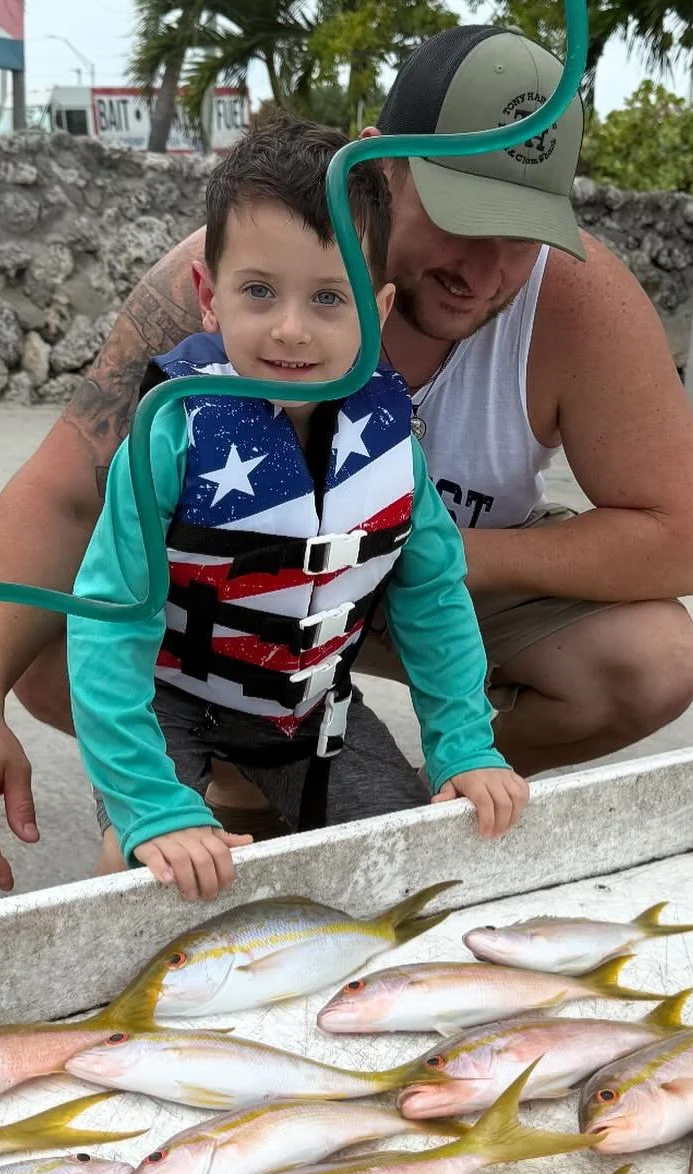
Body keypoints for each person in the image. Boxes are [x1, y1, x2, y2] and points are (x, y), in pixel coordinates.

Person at [0, 23, 693, 893]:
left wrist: (443, 691)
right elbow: (64, 498)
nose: (483, 270)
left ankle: (398, 797)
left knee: (620, 680)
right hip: (208, 630)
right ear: (374, 169)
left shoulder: (566, 312)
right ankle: (197, 799)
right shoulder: (229, 286)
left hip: (358, 620)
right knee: (65, 657)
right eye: (460, 217)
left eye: (520, 233)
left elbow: (675, 543)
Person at [67, 116, 526, 900]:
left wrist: (465, 746)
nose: (290, 329)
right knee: (140, 874)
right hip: (171, 696)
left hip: (311, 706)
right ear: (208, 297)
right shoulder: (170, 435)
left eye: (329, 298)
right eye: (258, 291)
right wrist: (150, 807)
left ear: (378, 310)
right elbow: (108, 625)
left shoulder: (394, 447)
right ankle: (168, 815)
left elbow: (435, 597)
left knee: (411, 866)